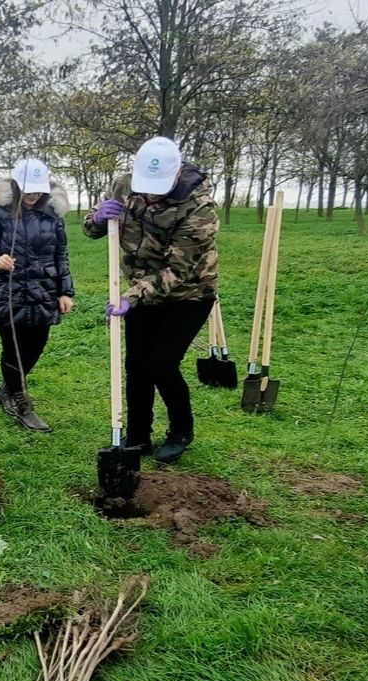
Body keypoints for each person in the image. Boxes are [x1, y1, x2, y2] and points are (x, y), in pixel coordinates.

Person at [83, 136, 218, 463]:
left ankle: (181, 430)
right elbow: (91, 229)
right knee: (136, 366)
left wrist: (131, 297)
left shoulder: (199, 209)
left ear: (175, 175)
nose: (149, 194)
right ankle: (138, 436)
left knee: (162, 364)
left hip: (189, 295)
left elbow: (179, 270)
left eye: (157, 188)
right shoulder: (124, 186)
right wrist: (98, 217)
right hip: (139, 293)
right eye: (145, 186)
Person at [0, 159, 75, 432]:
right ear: (16, 185)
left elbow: (61, 254)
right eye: (27, 189)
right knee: (14, 349)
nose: (32, 194)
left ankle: (6, 390)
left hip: (44, 292)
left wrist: (65, 291)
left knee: (36, 347)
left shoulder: (53, 215)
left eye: (37, 189)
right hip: (9, 292)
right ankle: (20, 402)